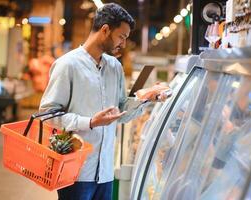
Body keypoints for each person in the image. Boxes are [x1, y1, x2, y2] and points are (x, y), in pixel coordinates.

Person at [39, 3, 168, 200]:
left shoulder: (114, 67)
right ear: (105, 30)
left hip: (105, 172)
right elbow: (47, 115)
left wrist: (146, 98)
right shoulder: (67, 65)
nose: (123, 44)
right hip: (77, 172)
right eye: (121, 37)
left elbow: (121, 110)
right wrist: (90, 122)